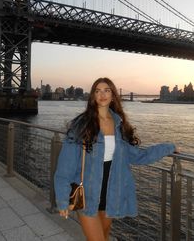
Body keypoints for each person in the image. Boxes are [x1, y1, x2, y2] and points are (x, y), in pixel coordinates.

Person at [54, 77, 179, 241]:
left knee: (105, 236)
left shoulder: (119, 125)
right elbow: (65, 166)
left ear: (113, 95)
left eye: (107, 90)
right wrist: (63, 199)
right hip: (87, 193)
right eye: (97, 91)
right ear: (92, 96)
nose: (102, 94)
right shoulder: (82, 125)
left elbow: (137, 156)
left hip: (111, 193)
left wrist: (169, 147)